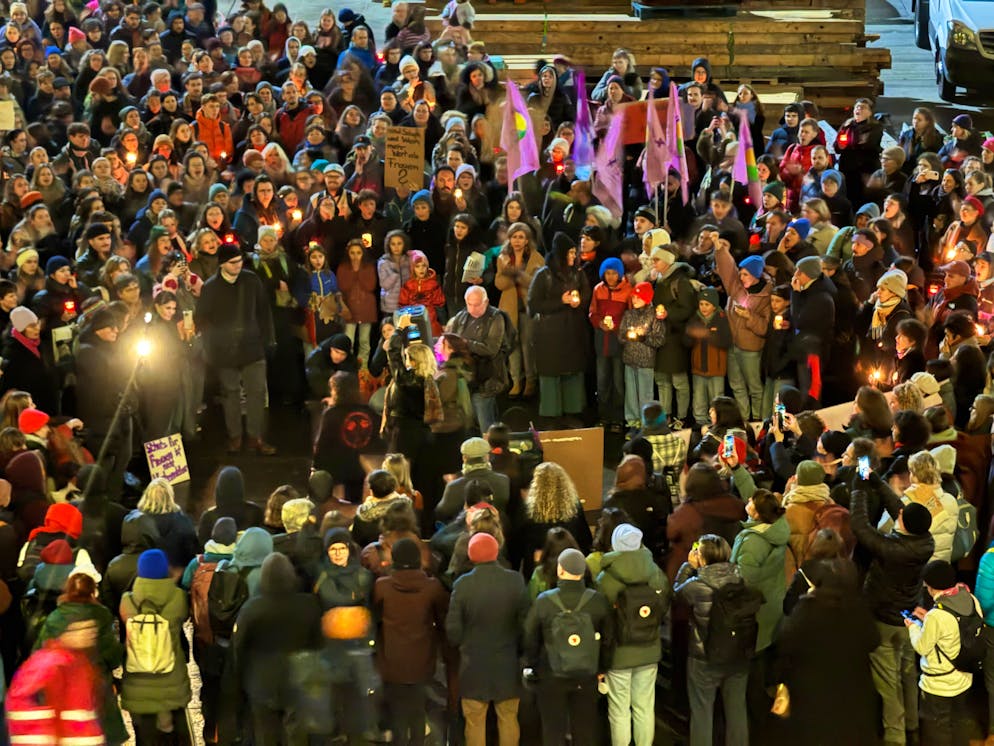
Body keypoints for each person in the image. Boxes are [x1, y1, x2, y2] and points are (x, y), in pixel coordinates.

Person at [851, 485, 935, 746]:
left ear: (905, 525)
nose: (898, 513)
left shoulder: (891, 548)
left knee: (888, 682)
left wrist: (859, 491)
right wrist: (874, 480)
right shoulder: (925, 542)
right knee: (908, 673)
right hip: (909, 617)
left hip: (884, 619)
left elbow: (861, 527)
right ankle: (912, 724)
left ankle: (895, 736)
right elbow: (900, 509)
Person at [231, 552, 324, 746]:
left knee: (266, 735)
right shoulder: (309, 605)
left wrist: (239, 680)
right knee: (297, 735)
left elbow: (238, 648)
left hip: (262, 681)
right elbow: (319, 644)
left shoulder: (252, 608)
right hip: (299, 678)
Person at [446, 531, 530, 746]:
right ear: (496, 551)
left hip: (473, 667)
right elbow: (525, 625)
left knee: (474, 721)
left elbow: (453, 633)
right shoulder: (515, 580)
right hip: (507, 665)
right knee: (508, 718)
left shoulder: (462, 585)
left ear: (471, 555)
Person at [194, 242, 277, 455]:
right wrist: (213, 345)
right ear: (222, 264)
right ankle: (235, 437)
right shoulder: (211, 287)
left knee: (256, 392)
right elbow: (202, 319)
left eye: (240, 261)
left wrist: (268, 339)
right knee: (230, 394)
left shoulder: (251, 280)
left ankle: (255, 437)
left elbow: (263, 310)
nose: (238, 265)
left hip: (252, 346)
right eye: (233, 262)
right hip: (225, 350)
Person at [674, 533, 757, 746]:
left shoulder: (697, 585)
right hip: (738, 654)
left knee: (702, 713)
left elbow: (676, 594)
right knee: (737, 711)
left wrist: (688, 566)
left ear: (702, 557)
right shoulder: (741, 579)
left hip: (704, 658)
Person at [523, 547, 611, 746]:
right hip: (586, 675)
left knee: (552, 730)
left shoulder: (544, 601)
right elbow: (608, 639)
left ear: (560, 570)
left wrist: (533, 665)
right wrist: (602, 668)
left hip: (551, 675)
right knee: (584, 731)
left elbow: (529, 636)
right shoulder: (597, 601)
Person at [596, 523, 670, 746]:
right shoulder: (655, 573)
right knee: (645, 707)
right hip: (649, 649)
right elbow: (663, 606)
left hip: (619, 653)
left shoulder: (605, 578)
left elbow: (600, 618)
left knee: (619, 710)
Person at [372, 537, 449, 746]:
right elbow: (443, 620)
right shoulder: (432, 587)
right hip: (422, 660)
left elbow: (375, 618)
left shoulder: (382, 586)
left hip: (392, 660)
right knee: (418, 711)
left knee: (397, 713)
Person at [119, 548, 192, 743]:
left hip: (137, 679)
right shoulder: (178, 598)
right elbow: (184, 617)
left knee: (144, 735)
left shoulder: (127, 601)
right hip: (171, 677)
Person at [906, 559, 982, 746]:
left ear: (932, 587)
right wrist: (928, 619)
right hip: (964, 678)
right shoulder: (970, 598)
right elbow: (955, 630)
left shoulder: (937, 615)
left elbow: (922, 647)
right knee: (959, 724)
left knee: (937, 730)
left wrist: (913, 626)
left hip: (939, 685)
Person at [445, 285, 508, 432]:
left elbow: (491, 349)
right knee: (469, 425)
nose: (473, 309)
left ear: (486, 302)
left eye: (477, 304)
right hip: (465, 379)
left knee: (486, 424)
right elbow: (451, 340)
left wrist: (466, 343)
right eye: (469, 304)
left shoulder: (495, 318)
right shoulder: (461, 317)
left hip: (485, 380)